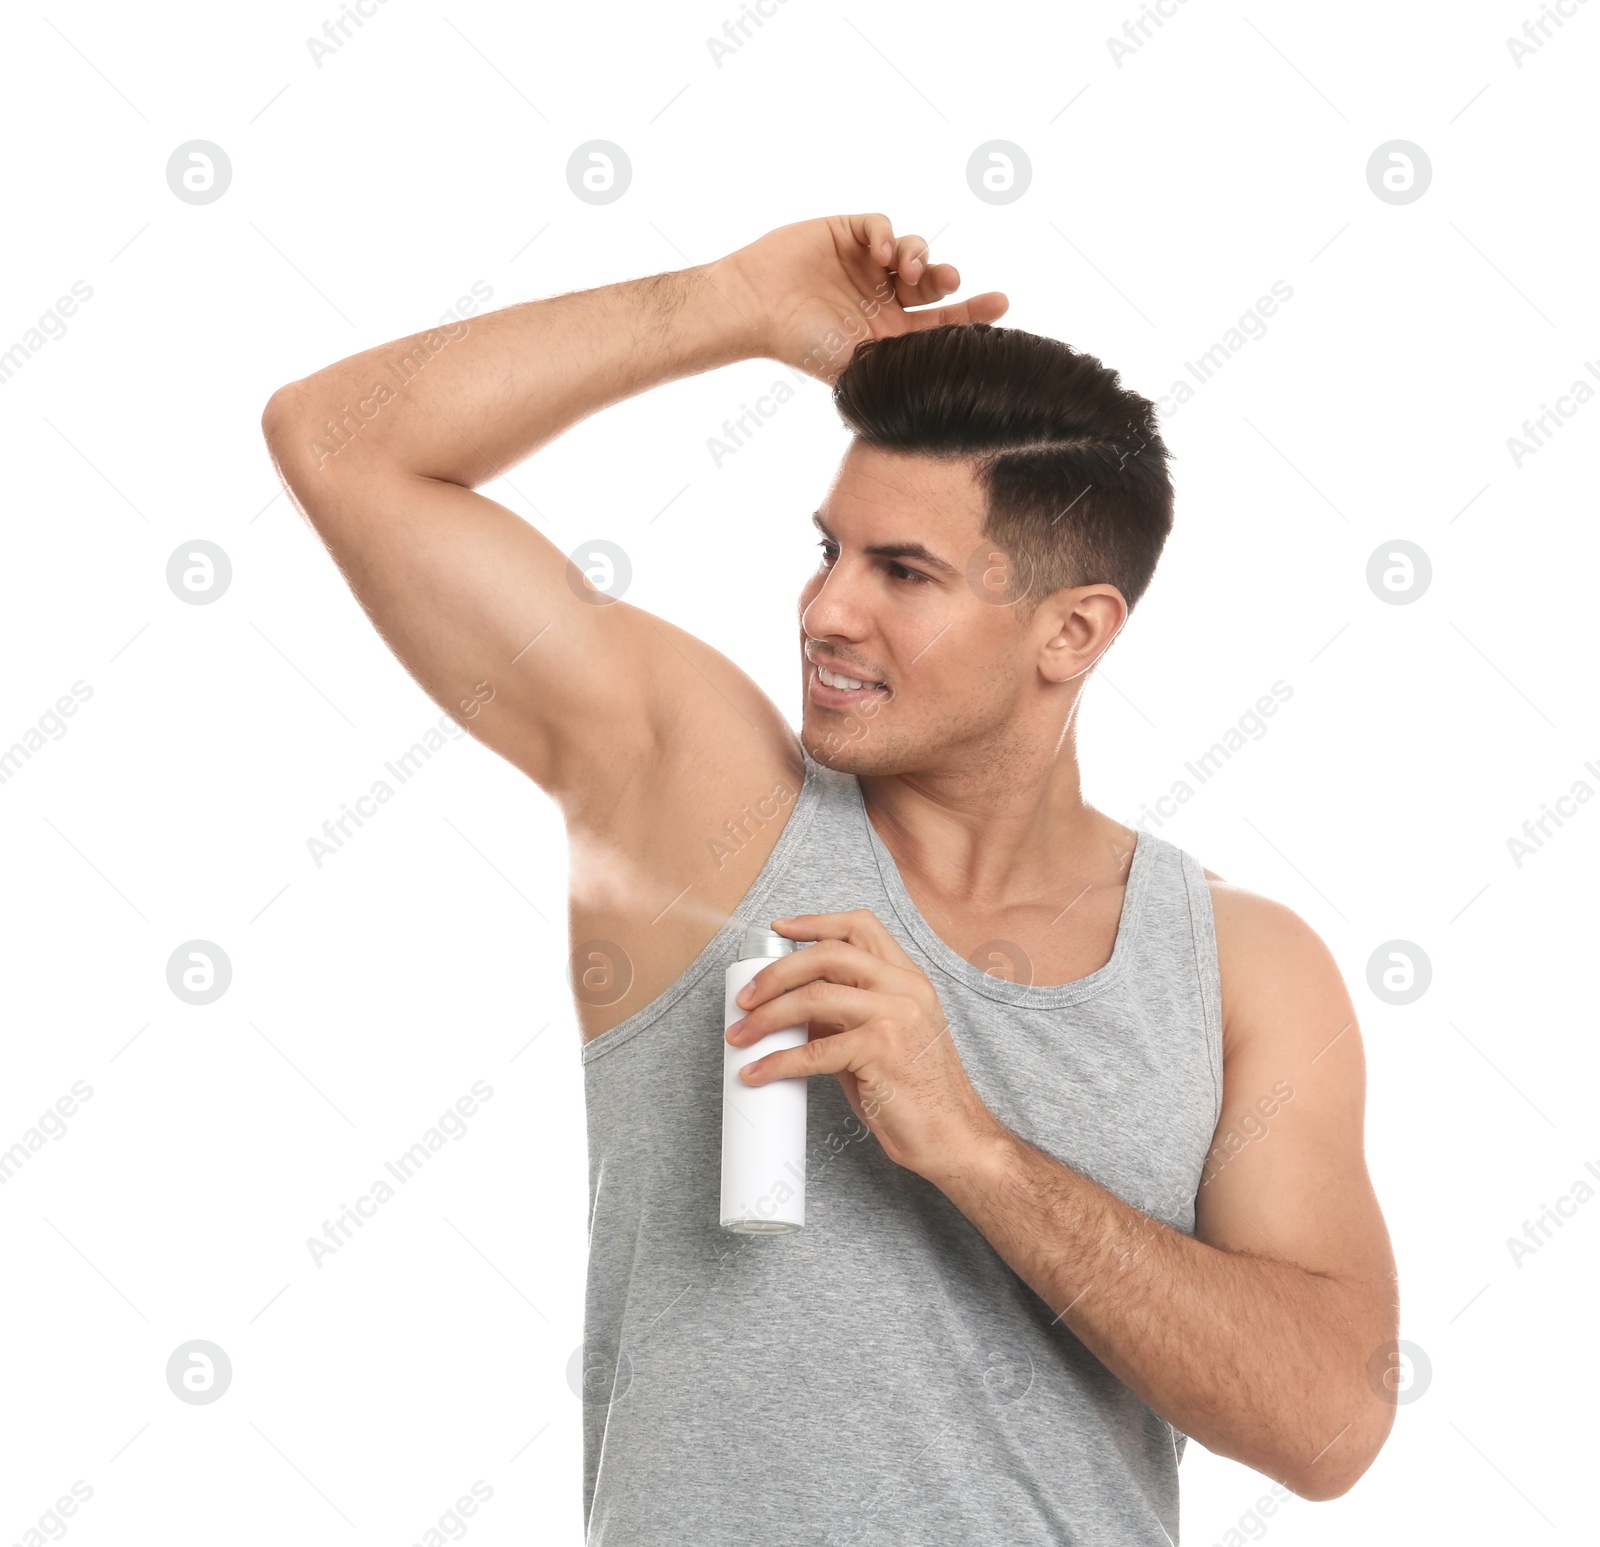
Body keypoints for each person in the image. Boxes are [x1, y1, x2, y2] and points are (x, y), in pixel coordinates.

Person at [262, 213, 1398, 1545]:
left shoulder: (1242, 967)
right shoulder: (707, 808)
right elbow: (340, 439)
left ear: (1073, 630)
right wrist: (732, 301)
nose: (825, 611)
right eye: (829, 551)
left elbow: (1331, 1421)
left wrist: (972, 1149)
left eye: (902, 571)